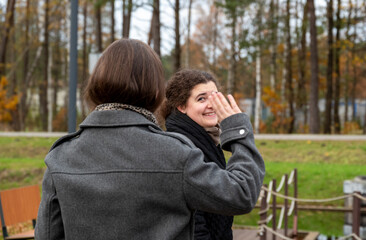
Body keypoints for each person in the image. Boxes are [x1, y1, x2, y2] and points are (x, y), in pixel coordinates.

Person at [35, 39, 265, 240]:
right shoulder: (174, 153)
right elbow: (241, 193)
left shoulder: (61, 157)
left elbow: (47, 235)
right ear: (156, 90)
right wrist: (238, 130)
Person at [162, 69, 236, 239]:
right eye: (201, 99)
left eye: (215, 97)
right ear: (181, 106)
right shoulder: (182, 148)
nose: (211, 105)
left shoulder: (209, 139)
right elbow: (195, 225)